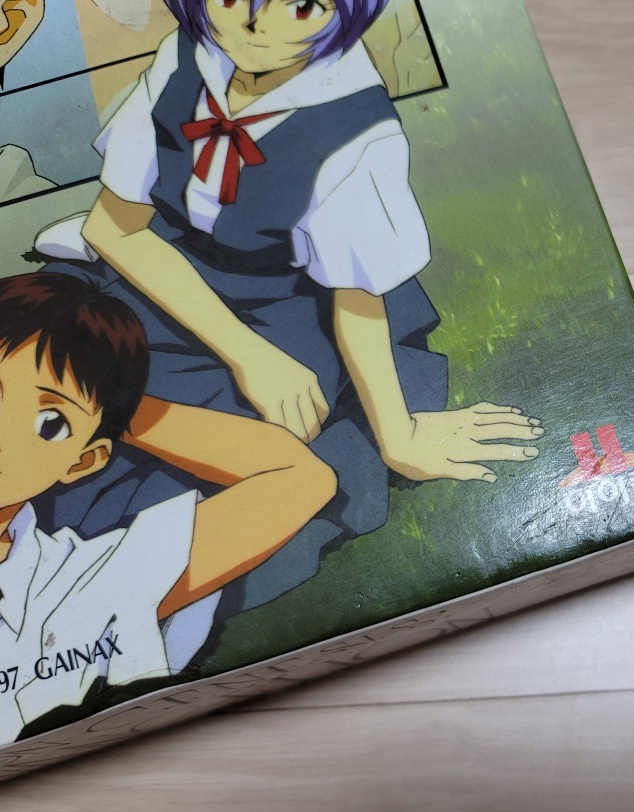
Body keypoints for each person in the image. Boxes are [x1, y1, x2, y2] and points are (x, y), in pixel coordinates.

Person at [35, 0, 542, 617]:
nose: (256, 25)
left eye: (301, 5)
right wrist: (246, 355)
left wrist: (399, 437)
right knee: (49, 376)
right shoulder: (185, 57)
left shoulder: (356, 130)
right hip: (160, 274)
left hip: (283, 306)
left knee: (207, 461)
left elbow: (356, 297)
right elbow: (115, 227)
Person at [0, 272, 337, 745]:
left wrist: (117, 408)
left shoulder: (83, 583)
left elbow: (298, 478)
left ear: (83, 461)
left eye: (50, 423)